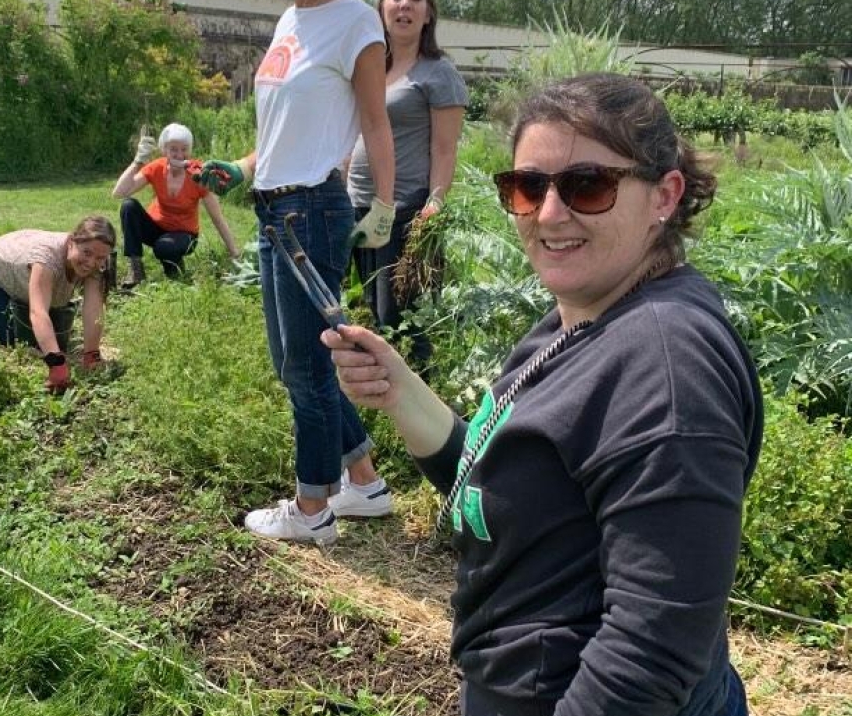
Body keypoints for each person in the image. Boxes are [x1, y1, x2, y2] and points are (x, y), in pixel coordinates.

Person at [323, 73, 761, 716]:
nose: (551, 214)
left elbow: (651, 651)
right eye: (528, 188)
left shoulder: (666, 368)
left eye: (589, 185)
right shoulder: (582, 317)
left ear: (664, 196)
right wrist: (400, 390)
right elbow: (496, 481)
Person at [197, 0, 398, 544]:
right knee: (301, 362)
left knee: (305, 370)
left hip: (311, 211)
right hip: (275, 210)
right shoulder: (289, 20)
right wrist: (239, 168)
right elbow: (280, 135)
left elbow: (375, 122)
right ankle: (365, 483)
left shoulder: (356, 21)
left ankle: (312, 511)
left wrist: (384, 205)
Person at [348, 0, 467, 374]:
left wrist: (434, 204)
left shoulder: (438, 72)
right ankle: (380, 391)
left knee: (399, 316)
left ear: (428, 14)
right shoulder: (370, 67)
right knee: (367, 306)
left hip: (404, 209)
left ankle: (423, 396)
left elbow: (445, 148)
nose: (404, 5)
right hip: (358, 204)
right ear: (381, 9)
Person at [0, 215, 117, 394]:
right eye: (86, 253)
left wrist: (92, 354)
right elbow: (38, 312)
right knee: (6, 339)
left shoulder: (99, 262)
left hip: (28, 273)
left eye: (100, 257)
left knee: (51, 340)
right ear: (71, 243)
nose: (91, 263)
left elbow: (94, 309)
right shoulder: (46, 259)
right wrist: (56, 363)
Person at [113, 123, 239, 286]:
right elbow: (119, 193)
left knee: (164, 248)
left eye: (184, 149)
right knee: (128, 205)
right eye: (173, 149)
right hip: (156, 228)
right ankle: (136, 269)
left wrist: (234, 253)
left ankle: (175, 266)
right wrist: (138, 161)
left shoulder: (199, 174)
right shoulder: (156, 167)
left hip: (184, 234)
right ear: (165, 150)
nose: (180, 155)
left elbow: (217, 218)